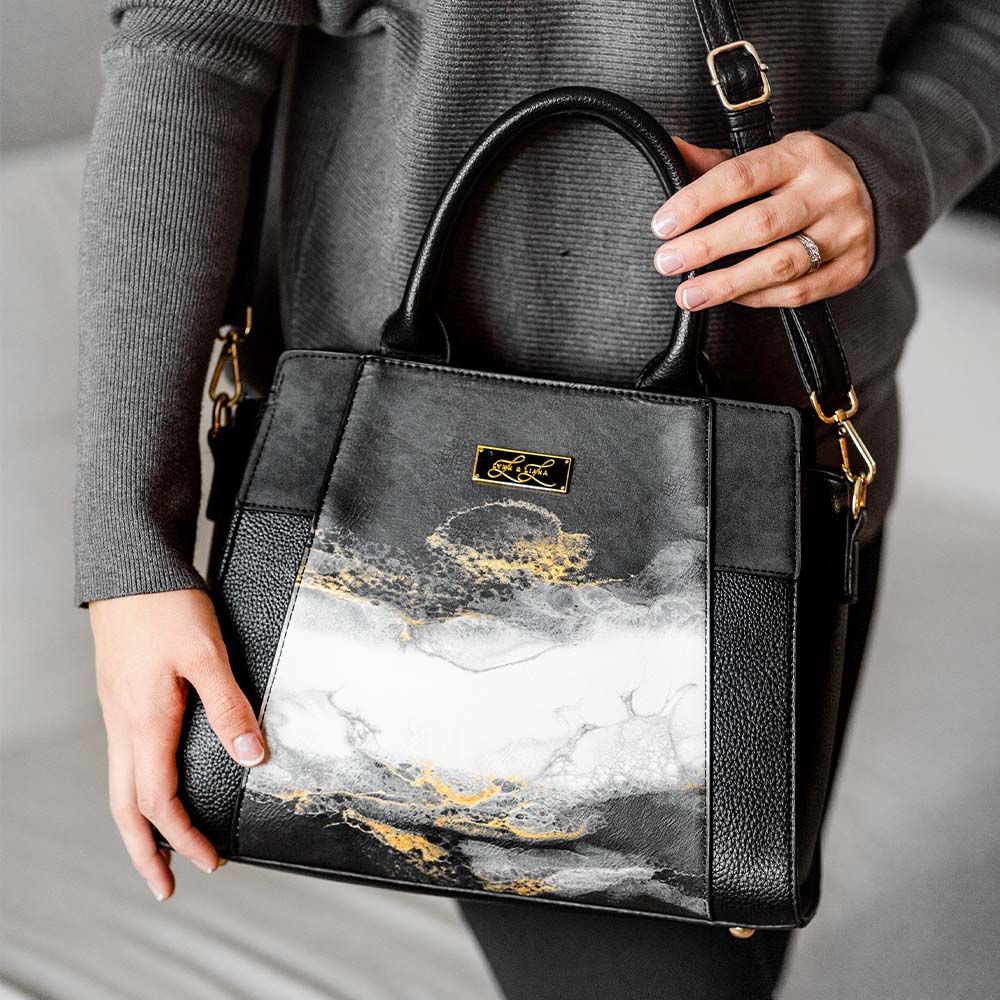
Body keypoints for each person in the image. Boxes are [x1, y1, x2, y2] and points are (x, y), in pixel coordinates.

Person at [75, 2, 1000, 998]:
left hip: (770, 495)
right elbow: (193, 45)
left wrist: (894, 161)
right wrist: (131, 550)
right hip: (382, 492)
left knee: (734, 928)